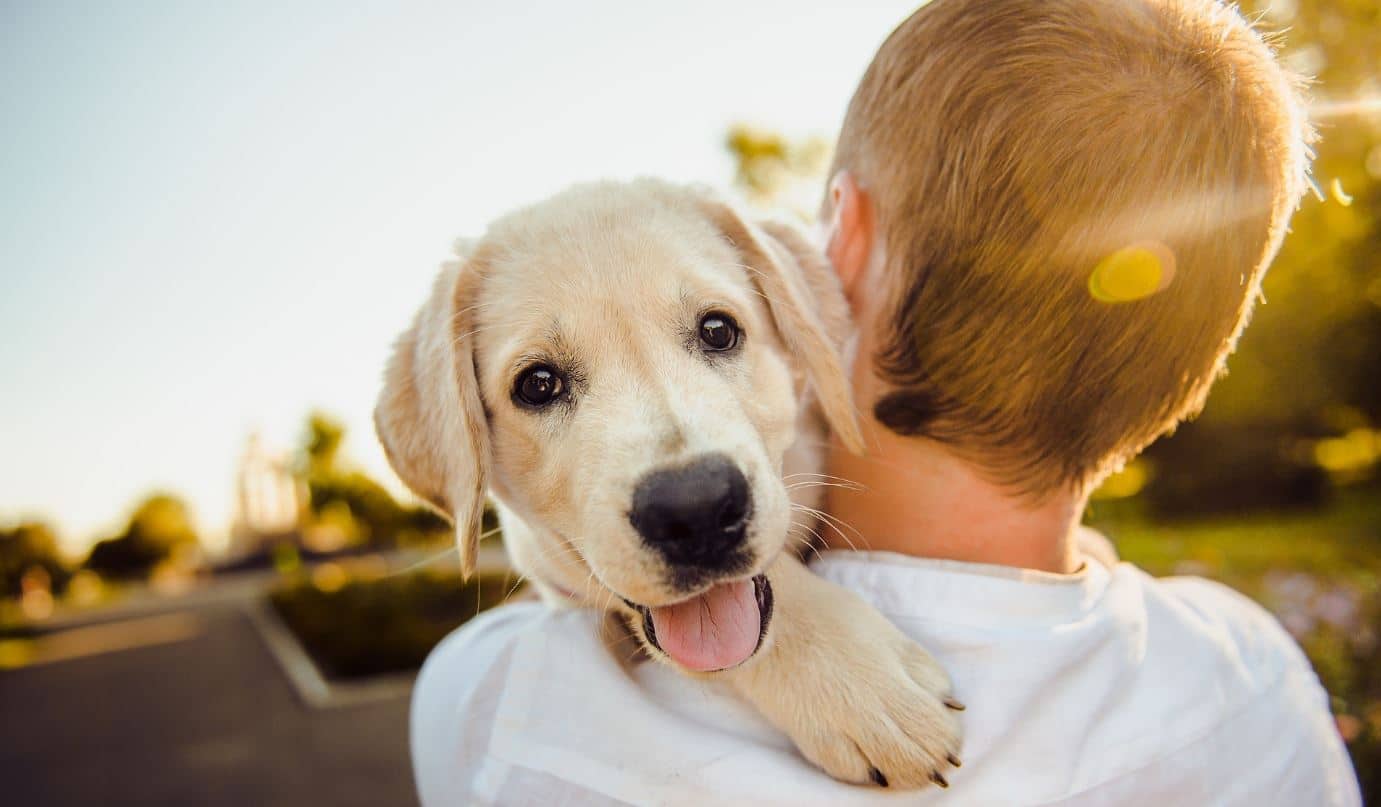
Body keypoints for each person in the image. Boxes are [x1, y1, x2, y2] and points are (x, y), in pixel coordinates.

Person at [409, 0, 1362, 803]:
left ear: (839, 246)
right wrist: (785, 633)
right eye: (542, 384)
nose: (682, 462)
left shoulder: (498, 706)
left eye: (715, 332)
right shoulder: (1257, 683)